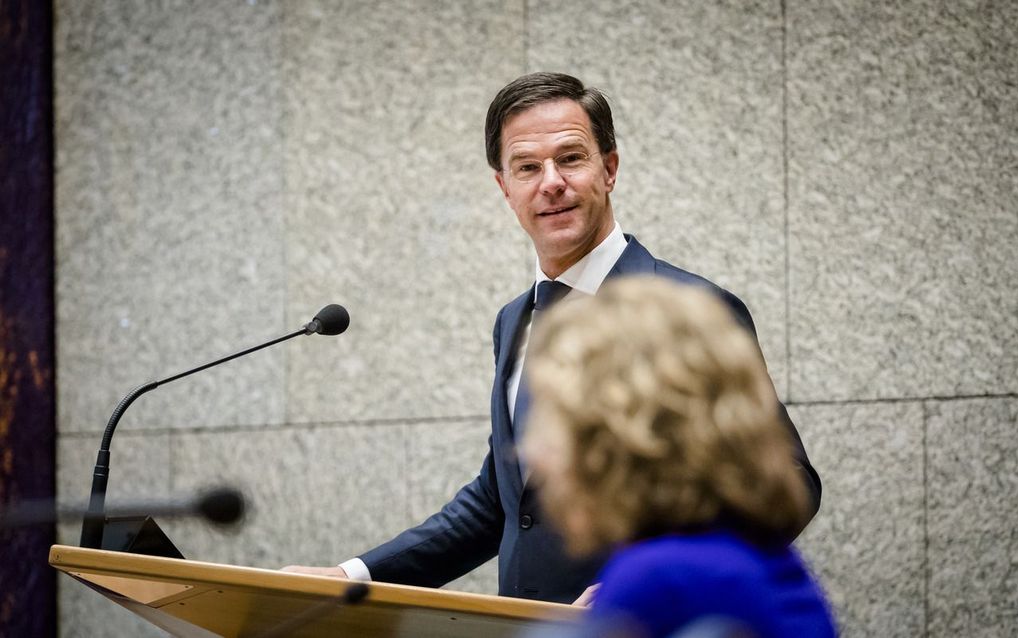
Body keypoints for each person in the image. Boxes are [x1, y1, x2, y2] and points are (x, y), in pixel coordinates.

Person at [283, 72, 821, 604]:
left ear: (609, 169)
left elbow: (789, 486)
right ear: (505, 188)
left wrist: (655, 587)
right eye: (527, 167)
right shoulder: (512, 320)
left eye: (570, 158)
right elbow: (504, 501)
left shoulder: (690, 308)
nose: (551, 182)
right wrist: (355, 577)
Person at [520, 277, 836, 637]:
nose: (534, 451)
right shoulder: (754, 556)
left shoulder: (659, 580)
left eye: (553, 419)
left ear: (612, 441)